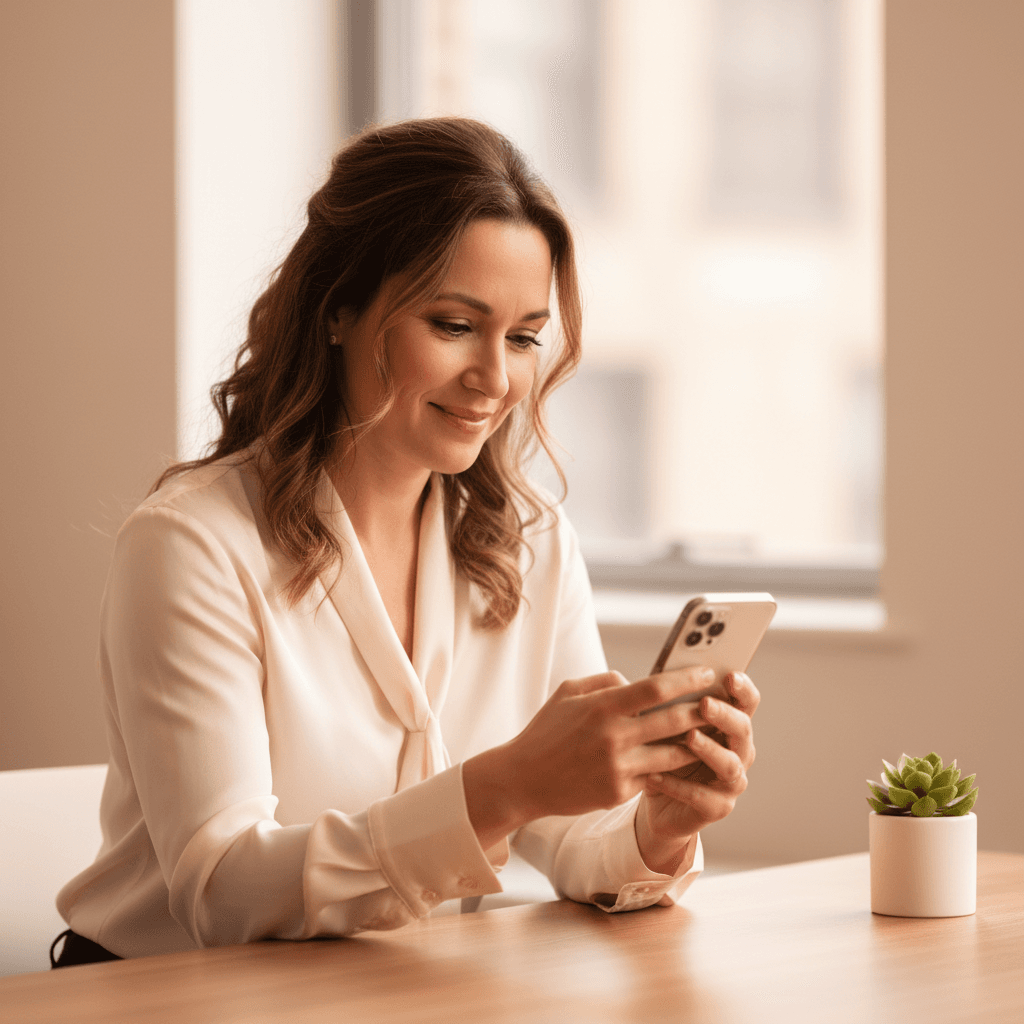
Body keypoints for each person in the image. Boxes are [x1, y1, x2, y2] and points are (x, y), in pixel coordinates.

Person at [52, 117, 759, 966]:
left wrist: (660, 828)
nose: (496, 379)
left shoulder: (530, 543)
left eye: (525, 337)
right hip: (163, 998)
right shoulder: (193, 545)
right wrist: (506, 786)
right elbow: (225, 893)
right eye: (455, 325)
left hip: (392, 991)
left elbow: (575, 844)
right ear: (340, 310)